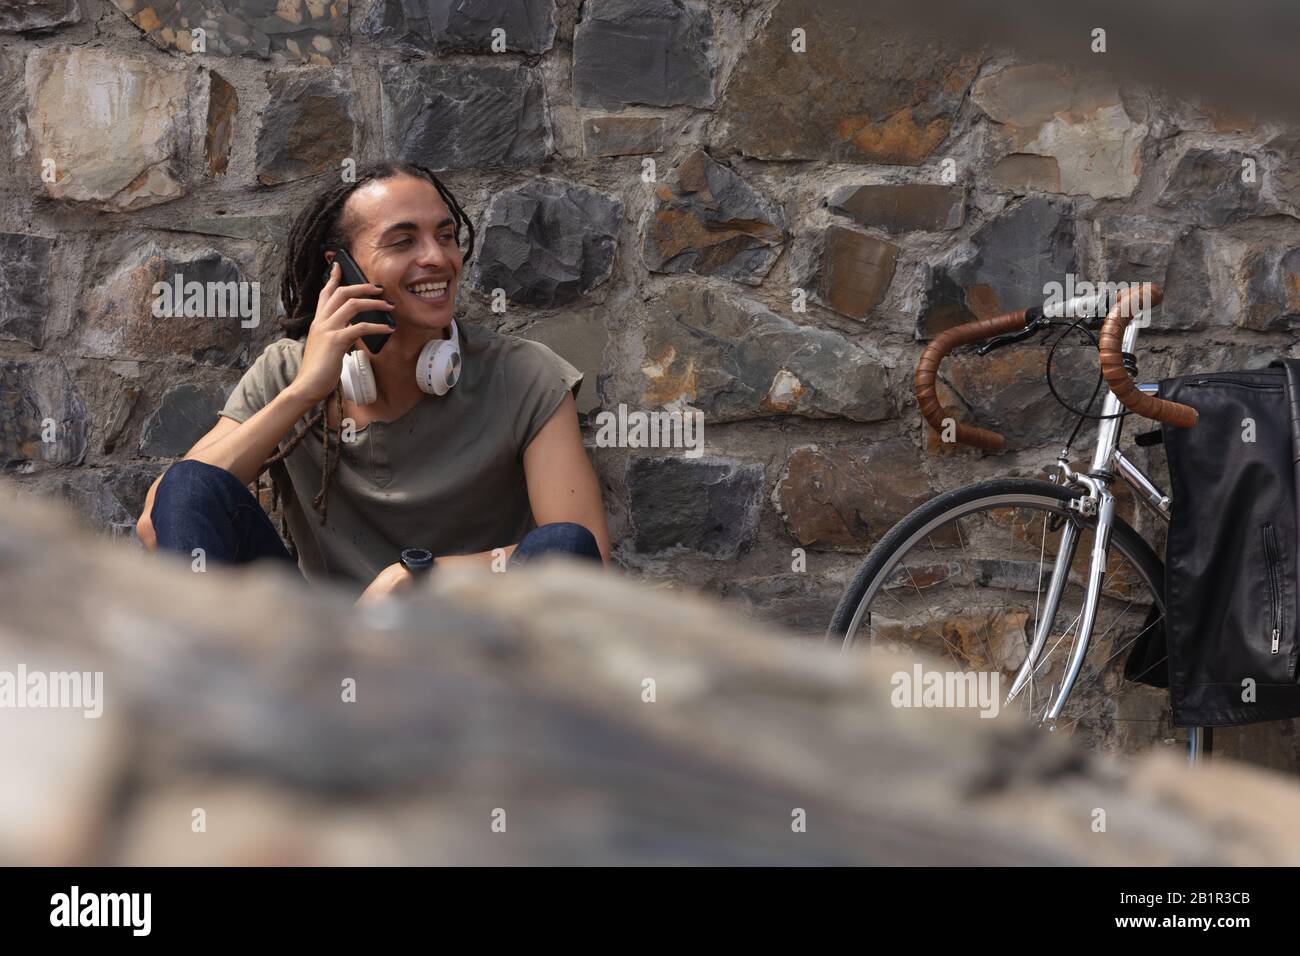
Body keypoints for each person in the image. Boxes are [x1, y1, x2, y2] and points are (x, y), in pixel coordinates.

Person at [135, 161, 609, 605]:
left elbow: (583, 563)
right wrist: (304, 390)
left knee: (565, 542)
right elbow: (165, 517)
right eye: (402, 242)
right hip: (324, 658)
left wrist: (422, 576)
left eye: (444, 236)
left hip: (467, 651)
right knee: (193, 484)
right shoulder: (288, 372)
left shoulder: (525, 376)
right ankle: (205, 686)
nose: (436, 258)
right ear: (340, 268)